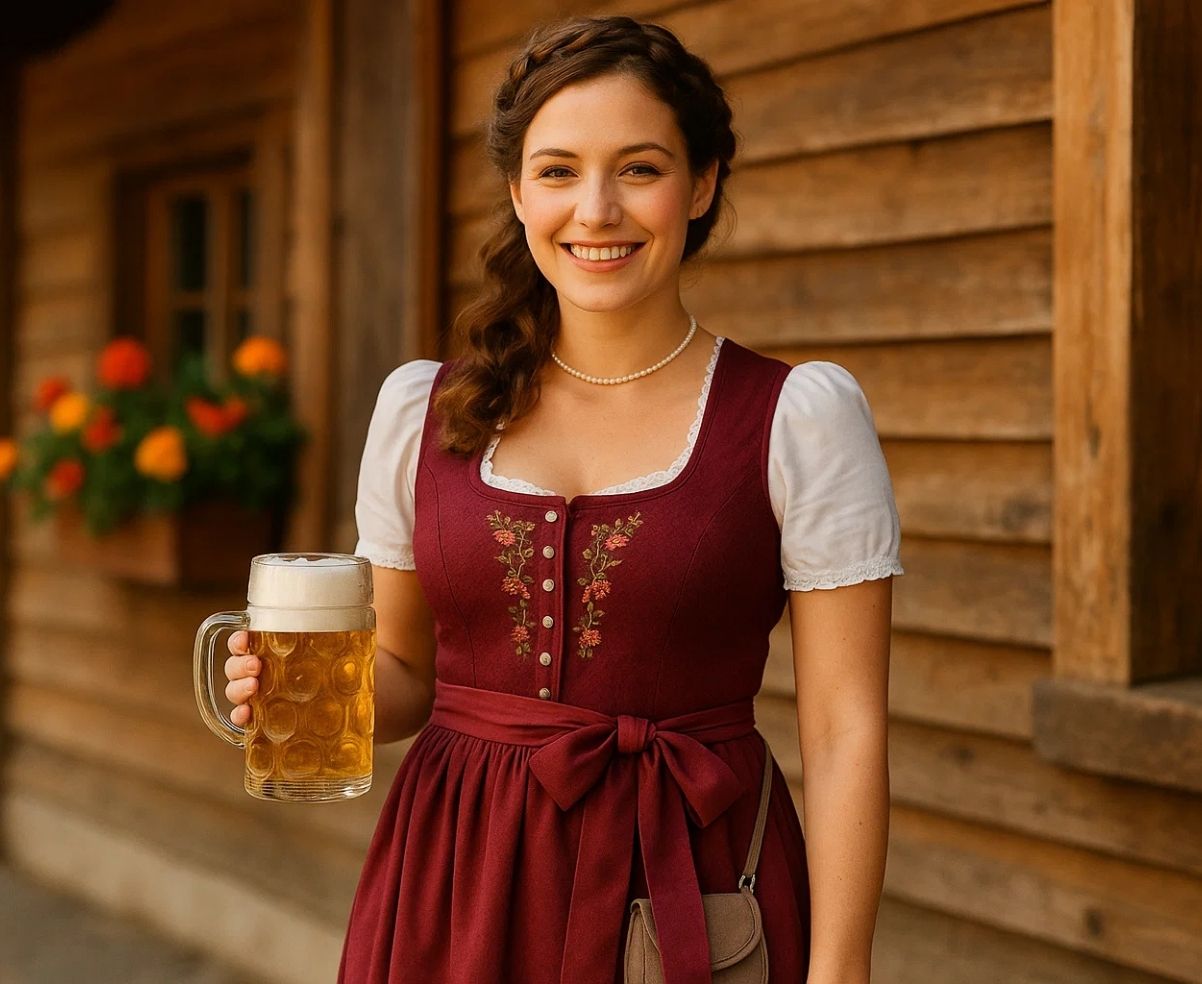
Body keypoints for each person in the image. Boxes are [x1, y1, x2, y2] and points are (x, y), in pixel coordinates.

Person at [225, 14, 903, 984]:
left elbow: (844, 733)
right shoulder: (425, 407)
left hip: (685, 887)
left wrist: (838, 975)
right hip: (452, 884)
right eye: (556, 171)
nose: (595, 210)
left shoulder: (796, 417)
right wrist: (296, 694)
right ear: (516, 191)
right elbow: (406, 674)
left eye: (637, 168)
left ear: (701, 183)